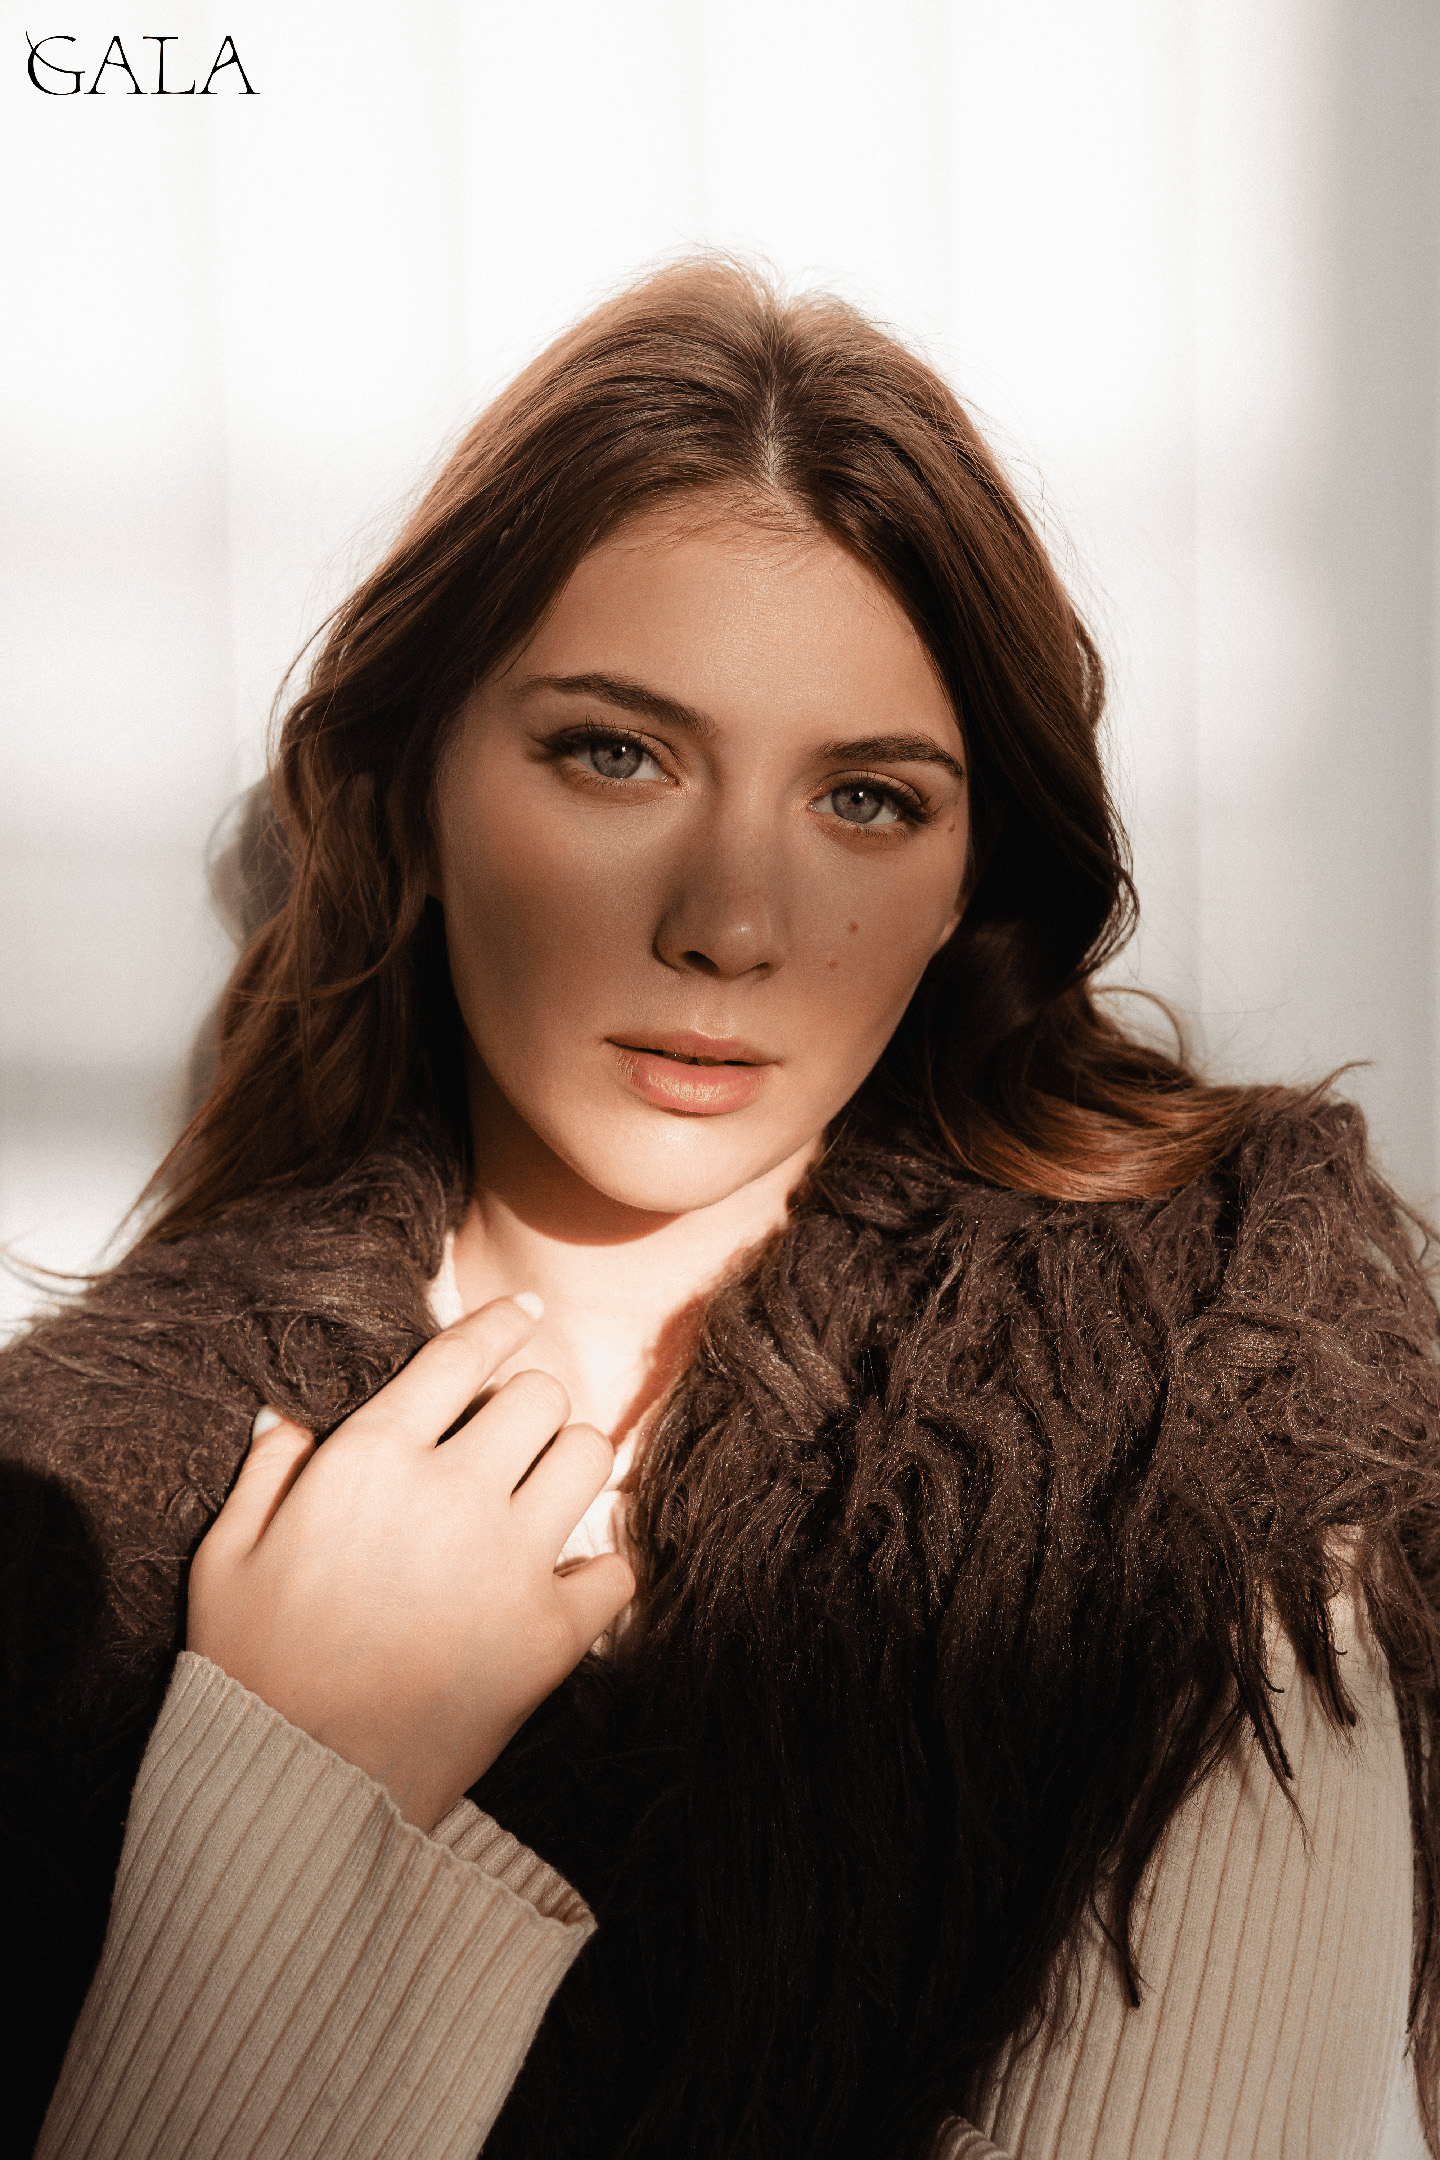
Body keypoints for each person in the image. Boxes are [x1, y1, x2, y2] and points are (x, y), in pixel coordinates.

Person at [4, 258, 1438, 2160]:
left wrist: (299, 1809)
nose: (733, 925)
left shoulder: (1207, 1397)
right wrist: (304, 1767)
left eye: (868, 800)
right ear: (411, 795)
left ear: (970, 877)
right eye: (616, 754)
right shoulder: (73, 1499)